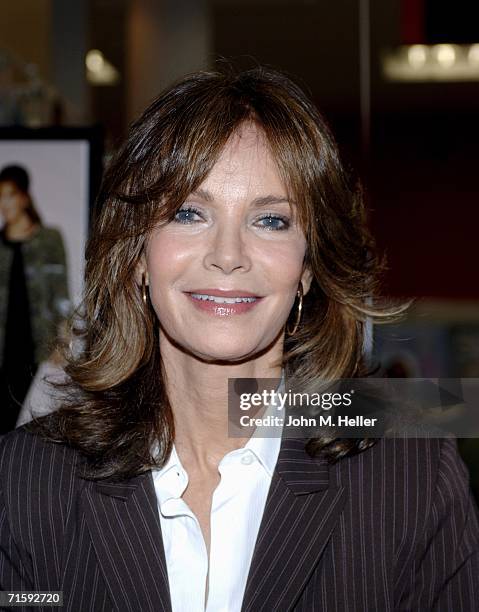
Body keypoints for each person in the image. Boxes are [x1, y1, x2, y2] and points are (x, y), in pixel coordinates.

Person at [0, 67, 478, 611]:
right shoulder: (27, 478)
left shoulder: (409, 478)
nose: (227, 254)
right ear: (136, 255)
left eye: (271, 221)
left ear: (307, 267)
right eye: (188, 213)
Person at [0, 164, 70, 433]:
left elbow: (61, 294)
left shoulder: (49, 240)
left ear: (24, 197)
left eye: (10, 196)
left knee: (31, 425)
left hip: (37, 348)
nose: (4, 204)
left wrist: (62, 343)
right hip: (3, 352)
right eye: (1, 197)